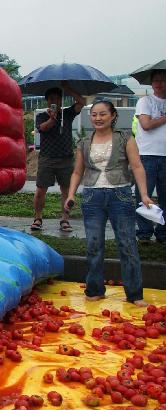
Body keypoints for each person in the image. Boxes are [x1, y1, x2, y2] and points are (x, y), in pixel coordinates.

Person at [65, 100, 152, 306]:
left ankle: (134, 294)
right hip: (92, 198)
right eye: (94, 114)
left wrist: (145, 194)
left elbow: (137, 166)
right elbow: (77, 171)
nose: (98, 118)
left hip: (120, 196)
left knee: (127, 244)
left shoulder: (125, 138)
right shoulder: (84, 142)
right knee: (94, 245)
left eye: (103, 114)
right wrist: (70, 195)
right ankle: (94, 289)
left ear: (113, 116)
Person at [31, 84, 84, 232]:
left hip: (66, 158)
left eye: (57, 98)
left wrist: (68, 88)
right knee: (41, 190)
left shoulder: (67, 113)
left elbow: (82, 102)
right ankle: (38, 218)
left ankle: (65, 220)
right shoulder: (42, 116)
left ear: (61, 100)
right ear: (47, 101)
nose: (54, 101)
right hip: (47, 158)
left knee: (66, 191)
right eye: (51, 99)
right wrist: (52, 118)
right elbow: (42, 128)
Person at [134, 70, 166, 243]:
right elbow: (146, 124)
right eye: (156, 80)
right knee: (143, 195)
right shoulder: (145, 101)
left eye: (163, 80)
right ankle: (144, 232)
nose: (159, 83)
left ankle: (163, 232)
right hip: (147, 154)